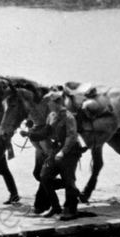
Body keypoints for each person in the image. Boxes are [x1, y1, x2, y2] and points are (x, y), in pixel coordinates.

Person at [36, 91, 85, 220]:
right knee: (44, 176)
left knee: (68, 180)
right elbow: (46, 132)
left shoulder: (68, 117)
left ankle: (71, 210)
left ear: (57, 102)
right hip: (55, 150)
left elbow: (72, 136)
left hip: (70, 152)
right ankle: (55, 206)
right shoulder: (51, 115)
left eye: (50, 102)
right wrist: (31, 134)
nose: (48, 105)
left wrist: (63, 151)